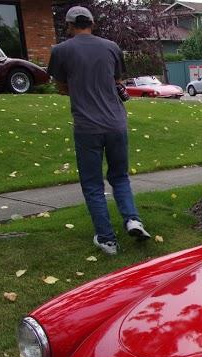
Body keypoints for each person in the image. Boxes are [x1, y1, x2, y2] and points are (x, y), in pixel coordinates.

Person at [47, 6, 151, 256]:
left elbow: (61, 87)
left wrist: (80, 89)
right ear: (92, 23)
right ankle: (132, 220)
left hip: (87, 127)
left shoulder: (61, 51)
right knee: (120, 176)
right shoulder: (111, 47)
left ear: (69, 26)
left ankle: (107, 240)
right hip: (116, 123)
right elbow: (117, 81)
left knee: (93, 184)